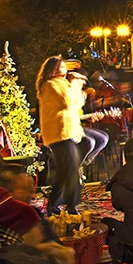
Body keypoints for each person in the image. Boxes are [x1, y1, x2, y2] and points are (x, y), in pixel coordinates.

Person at [36, 56, 87, 215]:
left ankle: (55, 204)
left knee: (66, 170)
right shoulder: (51, 85)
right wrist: (76, 84)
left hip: (66, 132)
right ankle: (70, 206)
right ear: (55, 69)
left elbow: (77, 103)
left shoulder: (61, 84)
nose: (65, 69)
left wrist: (76, 86)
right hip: (59, 134)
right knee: (69, 170)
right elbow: (67, 102)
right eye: (62, 66)